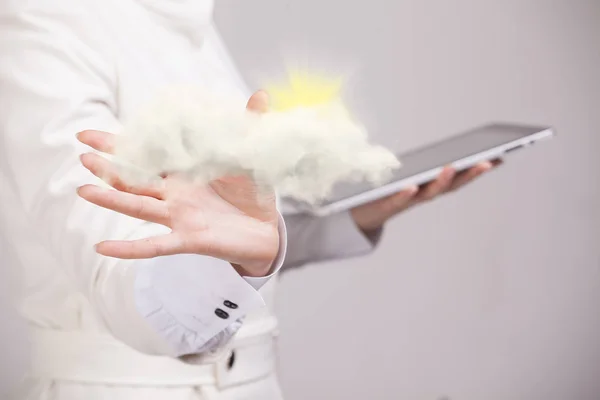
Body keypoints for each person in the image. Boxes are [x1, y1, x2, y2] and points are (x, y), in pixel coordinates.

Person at [0, 0, 498, 399]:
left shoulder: (189, 24)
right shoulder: (46, 24)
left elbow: (225, 233)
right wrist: (238, 262)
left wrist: (349, 219)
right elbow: (117, 273)